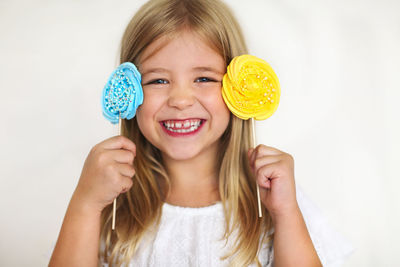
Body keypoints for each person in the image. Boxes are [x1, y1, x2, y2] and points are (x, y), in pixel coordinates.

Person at [49, 0, 352, 266]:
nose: (180, 99)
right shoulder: (112, 204)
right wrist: (85, 204)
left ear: (237, 88)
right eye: (157, 81)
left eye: (204, 78)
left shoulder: (275, 199)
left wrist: (286, 214)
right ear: (128, 91)